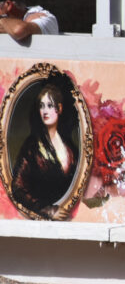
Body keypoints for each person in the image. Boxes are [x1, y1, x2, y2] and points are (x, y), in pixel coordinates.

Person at [11, 83, 78, 219]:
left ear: (59, 108)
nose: (45, 111)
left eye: (49, 105)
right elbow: (18, 189)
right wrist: (48, 210)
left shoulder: (70, 147)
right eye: (42, 106)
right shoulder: (32, 146)